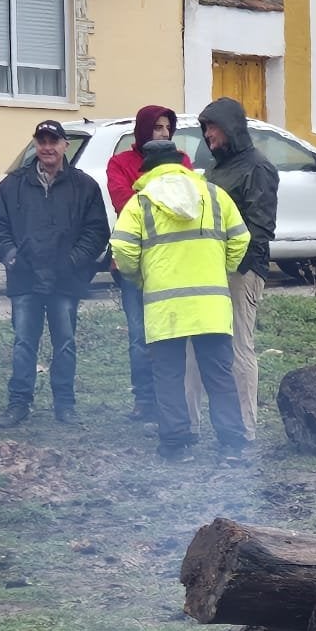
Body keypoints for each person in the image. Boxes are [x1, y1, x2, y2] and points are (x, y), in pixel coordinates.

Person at [110, 139, 249, 464]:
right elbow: (241, 238)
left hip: (165, 308)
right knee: (219, 375)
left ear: (148, 170)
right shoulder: (215, 196)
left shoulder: (140, 203)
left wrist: (141, 277)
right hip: (210, 306)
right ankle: (232, 445)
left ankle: (175, 445)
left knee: (169, 376)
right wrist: (222, 268)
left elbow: (122, 250)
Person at [0, 118, 110, 428]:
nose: (47, 147)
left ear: (64, 145)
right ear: (35, 145)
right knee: (23, 343)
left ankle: (65, 405)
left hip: (65, 280)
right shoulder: (12, 184)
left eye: (53, 141)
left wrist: (71, 262)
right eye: (41, 141)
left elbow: (97, 232)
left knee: (65, 344)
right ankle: (18, 404)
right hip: (25, 278)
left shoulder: (84, 186)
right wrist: (12, 257)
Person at [198, 97, 279, 438]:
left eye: (211, 127)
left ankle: (246, 426)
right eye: (203, 129)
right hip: (210, 267)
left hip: (242, 270)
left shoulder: (257, 167)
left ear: (230, 127)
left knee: (238, 345)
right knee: (203, 345)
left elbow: (260, 228)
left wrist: (237, 266)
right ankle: (198, 422)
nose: (207, 135)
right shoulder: (215, 167)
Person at [106, 105, 183, 421]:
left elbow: (185, 205)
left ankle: (171, 401)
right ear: (142, 130)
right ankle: (145, 400)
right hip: (134, 265)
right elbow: (124, 204)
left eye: (167, 128)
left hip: (172, 263)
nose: (163, 134)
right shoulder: (120, 163)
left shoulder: (182, 162)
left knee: (172, 335)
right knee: (139, 337)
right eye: (157, 128)